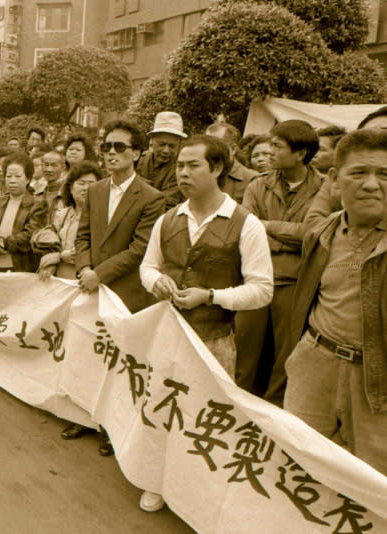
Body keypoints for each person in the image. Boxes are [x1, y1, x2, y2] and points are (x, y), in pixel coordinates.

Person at [139, 135, 273, 512]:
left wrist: (212, 296)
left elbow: (262, 290)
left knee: (205, 417)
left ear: (217, 168)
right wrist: (157, 282)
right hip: (169, 332)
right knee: (161, 408)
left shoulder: (246, 224)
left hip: (214, 339)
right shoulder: (169, 219)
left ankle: (196, 488)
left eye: (192, 165)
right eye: (180, 165)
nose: (182, 173)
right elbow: (148, 266)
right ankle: (157, 480)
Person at [283, 129, 387, 476]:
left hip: (378, 382)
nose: (371, 184)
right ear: (334, 178)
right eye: (359, 173)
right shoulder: (322, 233)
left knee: (373, 480)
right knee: (298, 464)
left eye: (384, 174)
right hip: (315, 361)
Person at [70, 120, 166, 454]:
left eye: (120, 147)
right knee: (87, 353)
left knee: (119, 362)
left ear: (137, 153)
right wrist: (84, 267)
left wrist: (100, 273)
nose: (111, 153)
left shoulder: (152, 198)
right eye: (107, 147)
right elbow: (83, 235)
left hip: (125, 293)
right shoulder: (95, 191)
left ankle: (111, 427)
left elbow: (140, 249)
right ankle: (82, 414)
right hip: (90, 287)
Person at [240, 120, 322, 403]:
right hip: (255, 277)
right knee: (244, 350)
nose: (270, 151)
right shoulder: (258, 185)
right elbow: (246, 228)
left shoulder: (324, 188)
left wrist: (267, 226)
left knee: (287, 356)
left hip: (296, 283)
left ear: (300, 153)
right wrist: (288, 236)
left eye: (277, 146)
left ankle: (275, 411)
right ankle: (237, 406)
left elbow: (312, 235)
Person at [0, 152, 47, 272]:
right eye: (8, 176)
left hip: (19, 266)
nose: (12, 181)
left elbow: (30, 235)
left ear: (28, 178)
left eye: (18, 176)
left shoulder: (37, 204)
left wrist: (2, 243)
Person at [37, 161, 101, 281]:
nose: (86, 188)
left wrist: (59, 256)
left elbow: (90, 251)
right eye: (81, 183)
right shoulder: (63, 214)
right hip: (60, 279)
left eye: (91, 183)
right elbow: (45, 237)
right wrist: (51, 262)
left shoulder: (101, 215)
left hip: (85, 279)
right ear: (71, 187)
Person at [137, 111, 188, 210]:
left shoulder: (182, 169)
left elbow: (167, 203)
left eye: (172, 146)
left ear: (179, 145)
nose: (166, 150)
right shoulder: (139, 161)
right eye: (162, 144)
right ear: (152, 141)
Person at [304, 126, 347, 229]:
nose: (313, 154)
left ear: (338, 153)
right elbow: (311, 224)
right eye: (312, 149)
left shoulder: (343, 182)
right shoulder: (301, 180)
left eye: (321, 150)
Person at [205, 122, 259, 203]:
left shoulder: (253, 180)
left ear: (233, 149)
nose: (209, 150)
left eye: (216, 145)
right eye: (206, 145)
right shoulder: (201, 174)